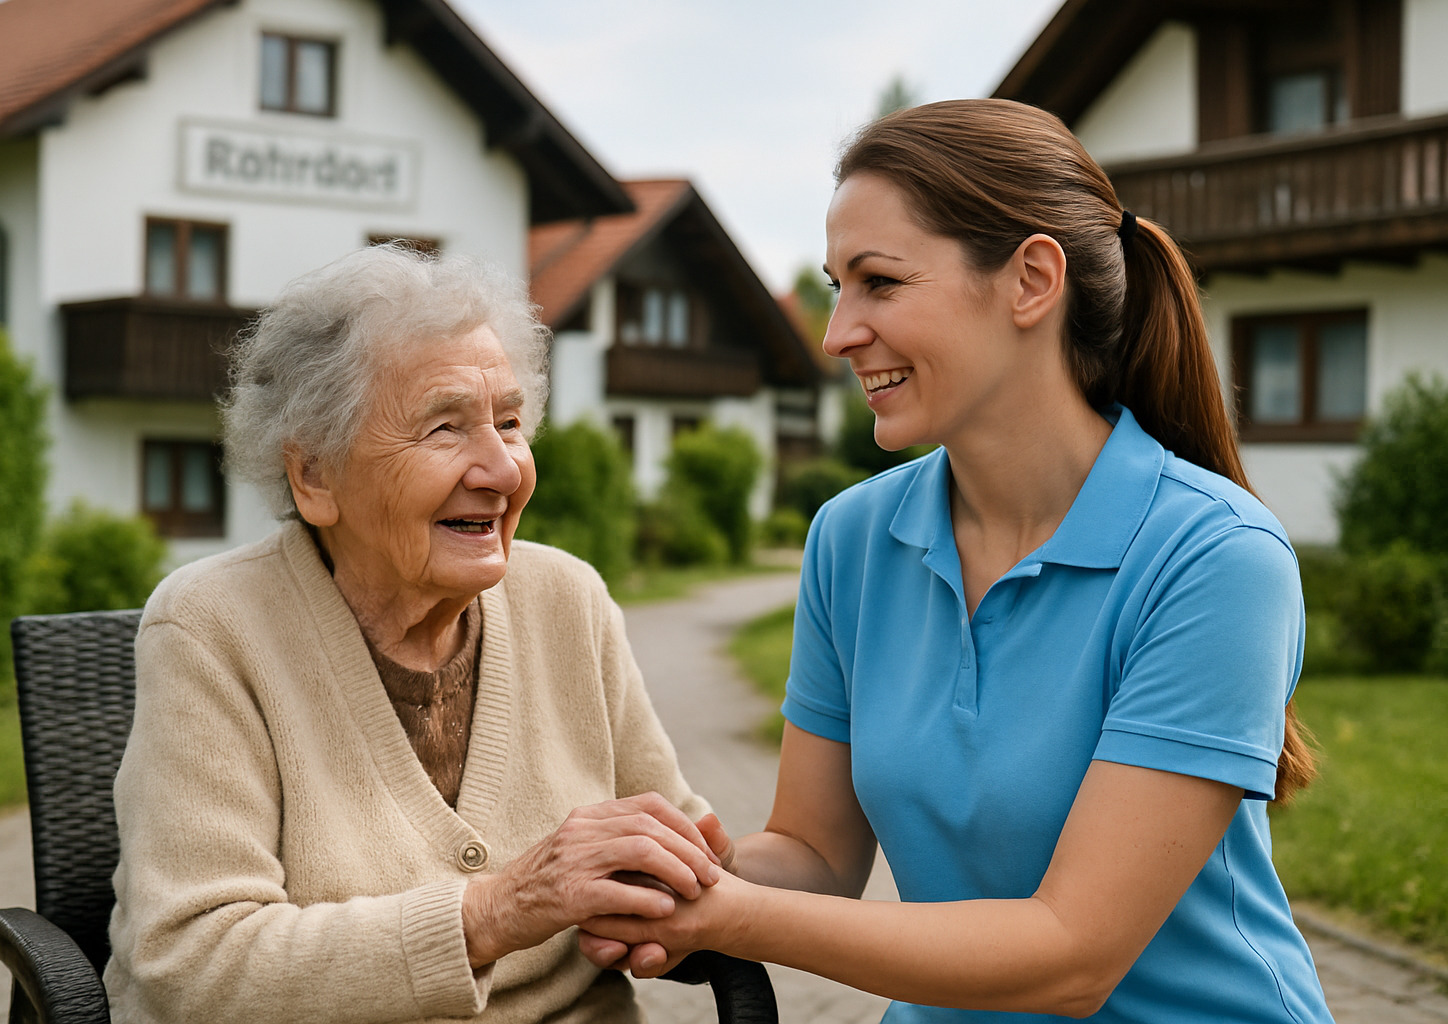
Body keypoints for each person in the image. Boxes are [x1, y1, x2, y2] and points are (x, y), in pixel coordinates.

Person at [579, 99, 1337, 1023]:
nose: (837, 333)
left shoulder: (1215, 558)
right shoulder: (852, 540)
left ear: (1030, 281)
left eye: (881, 283)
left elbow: (1071, 956)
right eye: (835, 287)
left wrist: (737, 918)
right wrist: (678, 874)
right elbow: (815, 856)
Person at [103, 244, 725, 1024]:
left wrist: (674, 901)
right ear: (315, 476)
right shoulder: (211, 627)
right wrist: (496, 911)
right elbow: (193, 960)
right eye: (444, 428)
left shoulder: (569, 599)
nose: (501, 470)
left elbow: (678, 845)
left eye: (509, 422)